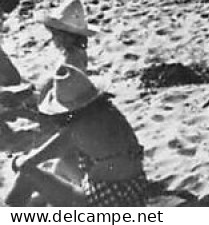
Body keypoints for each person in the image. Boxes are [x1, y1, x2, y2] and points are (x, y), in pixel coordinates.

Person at [4, 66, 148, 207]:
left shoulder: (76, 131)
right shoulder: (108, 112)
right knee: (64, 162)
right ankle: (41, 202)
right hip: (133, 191)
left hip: (104, 203)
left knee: (28, 174)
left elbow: (28, 163)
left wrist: (17, 161)